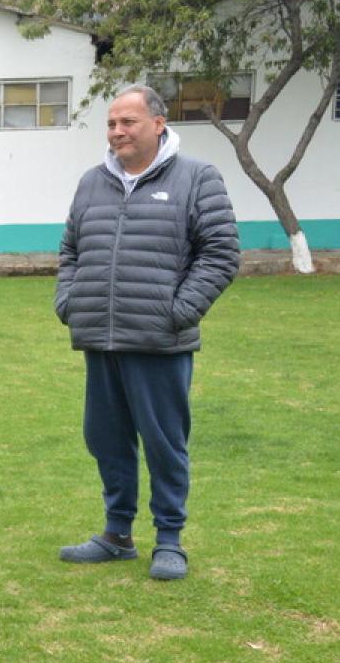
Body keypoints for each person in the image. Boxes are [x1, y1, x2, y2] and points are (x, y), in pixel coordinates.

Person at [55, 84, 240, 581]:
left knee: (164, 443)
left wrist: (179, 311)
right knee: (106, 439)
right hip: (100, 337)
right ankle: (116, 536)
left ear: (158, 124)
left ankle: (170, 539)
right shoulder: (92, 182)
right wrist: (68, 302)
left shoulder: (197, 177)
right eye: (112, 124)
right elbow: (70, 251)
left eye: (128, 122)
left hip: (160, 342)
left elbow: (220, 253)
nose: (117, 131)